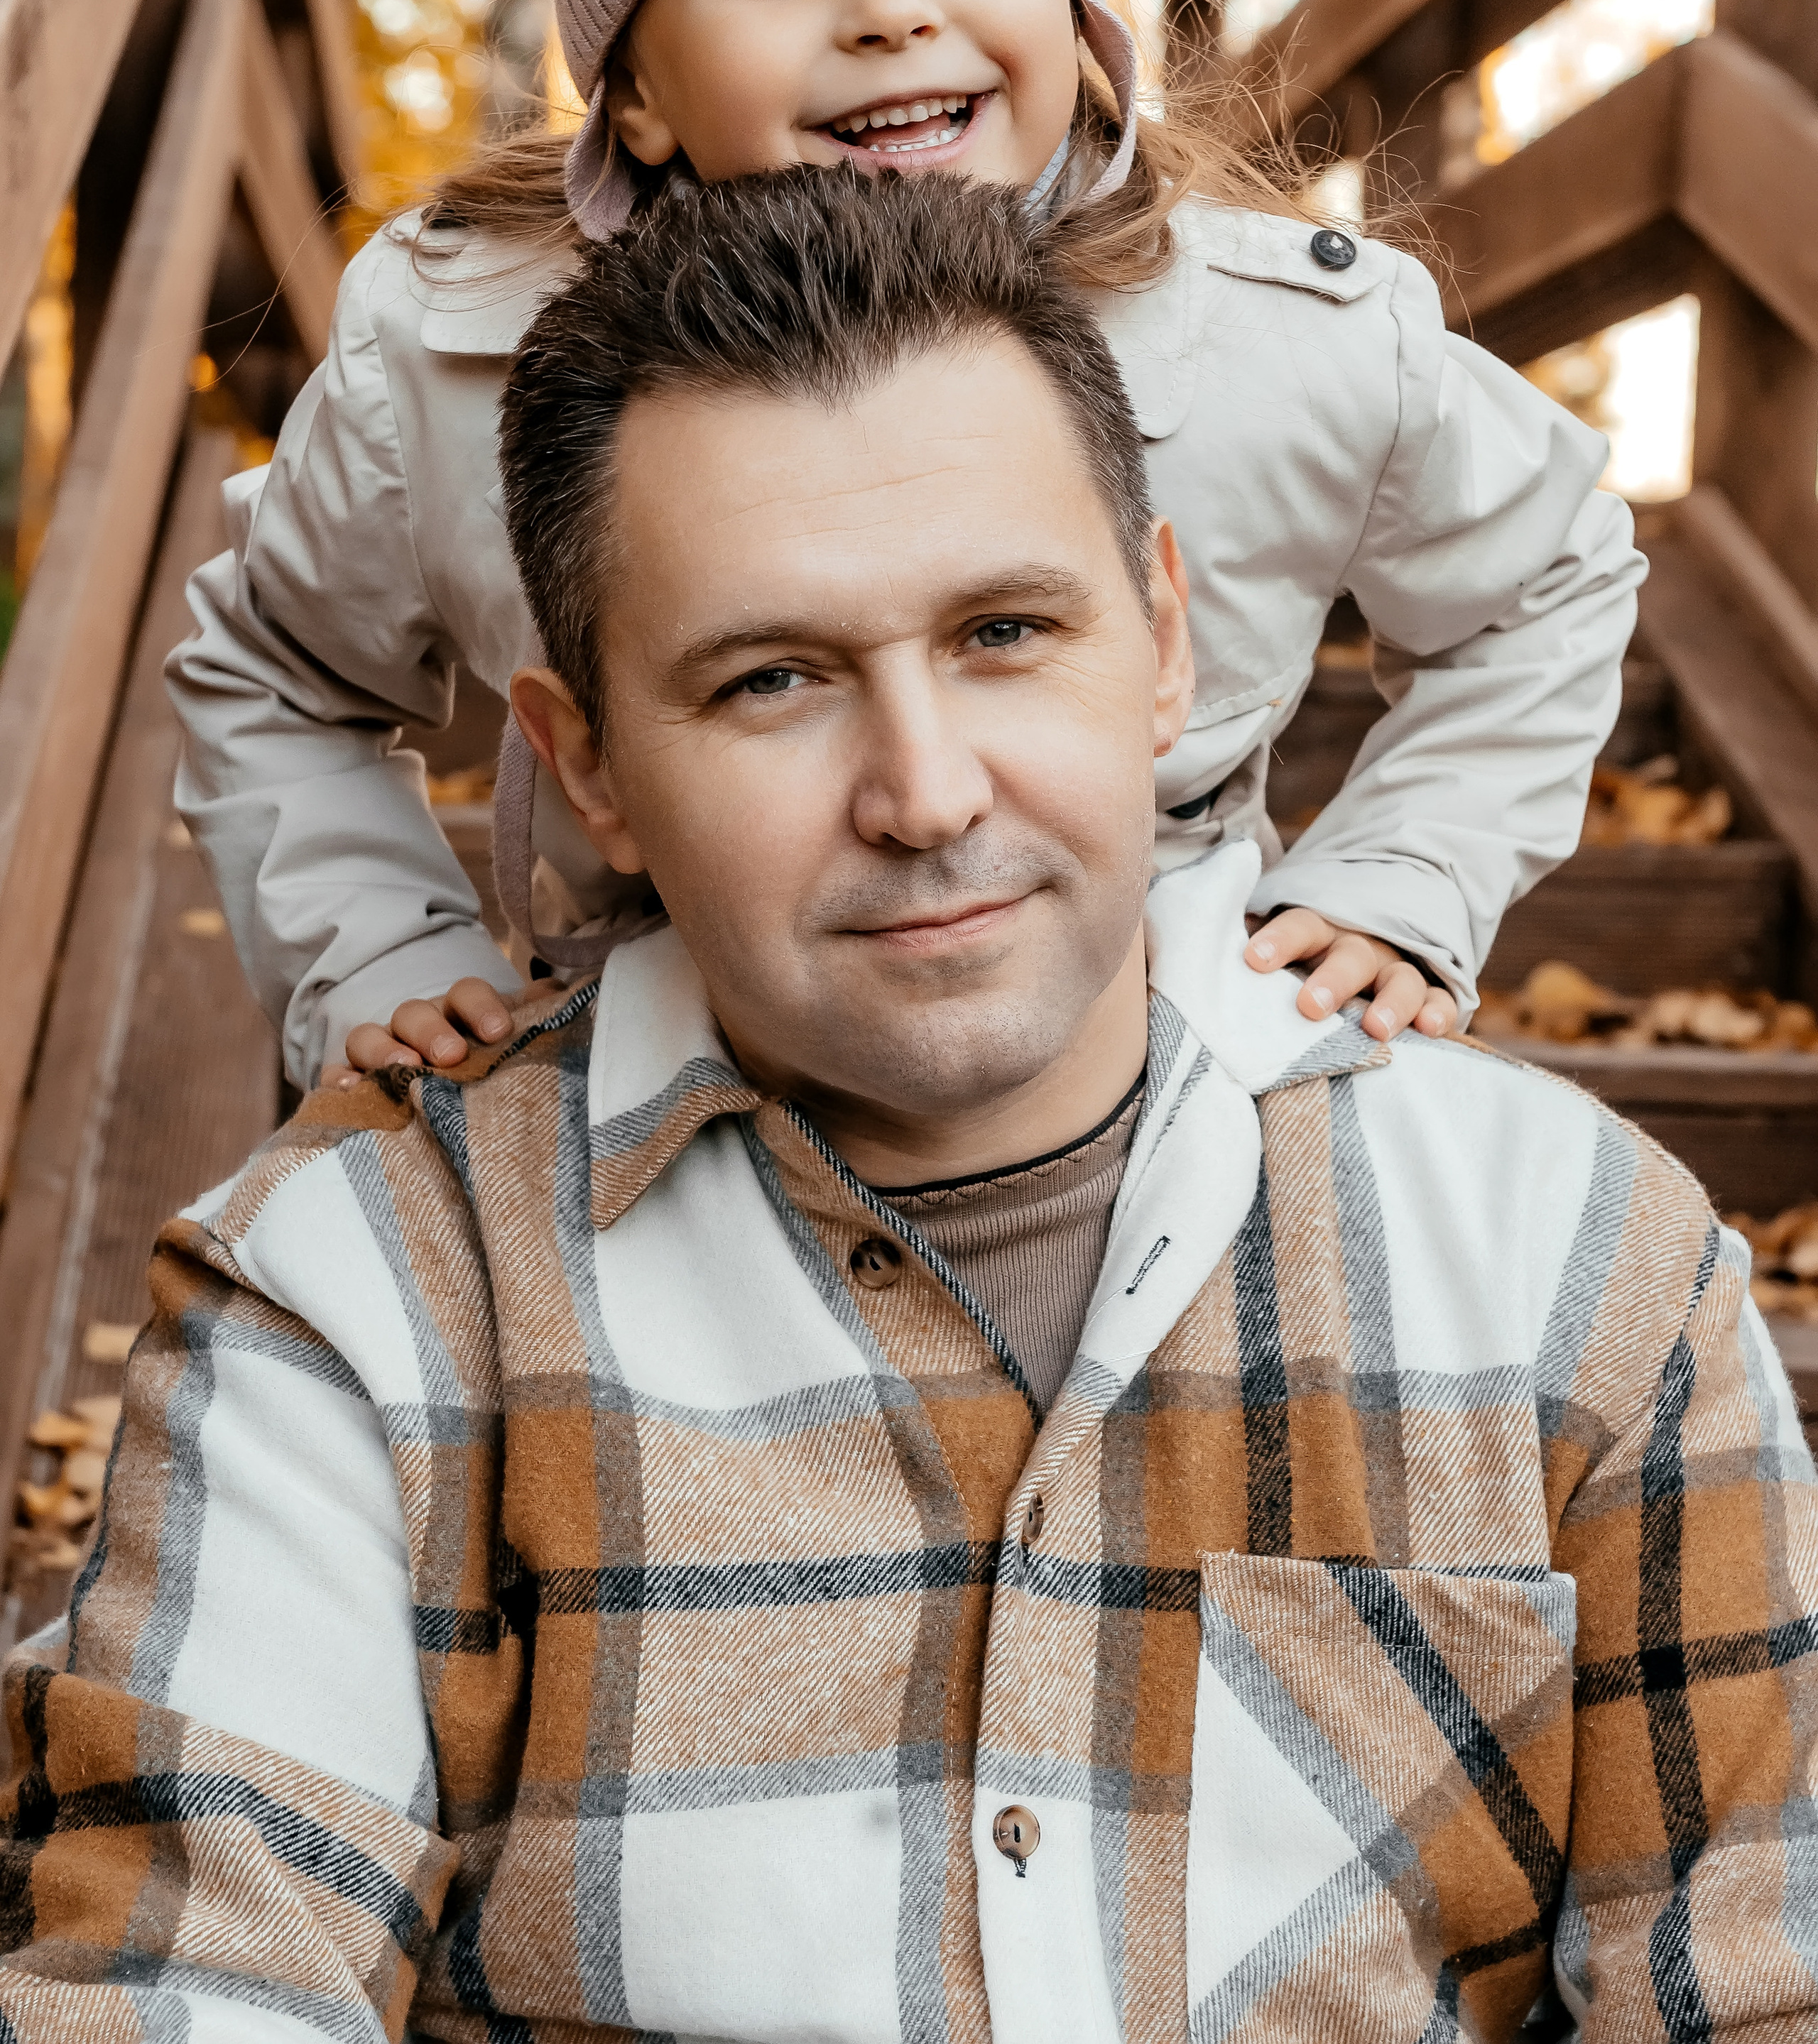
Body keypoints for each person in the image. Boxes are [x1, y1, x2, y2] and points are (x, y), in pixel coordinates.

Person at [9, 165, 1812, 2044]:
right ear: (587, 766)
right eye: (771, 678)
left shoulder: (1561, 1262)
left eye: (1003, 633)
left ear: (1167, 642)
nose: (926, 792)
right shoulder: (361, 1295)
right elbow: (190, 1984)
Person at [167, 0, 1643, 1099]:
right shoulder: (455, 355)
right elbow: (275, 669)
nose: (888, 9)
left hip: (1161, 1082)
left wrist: (1402, 870)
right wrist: (374, 944)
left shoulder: (1270, 337)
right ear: (632, 88)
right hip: (653, 1097)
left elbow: (1543, 571)